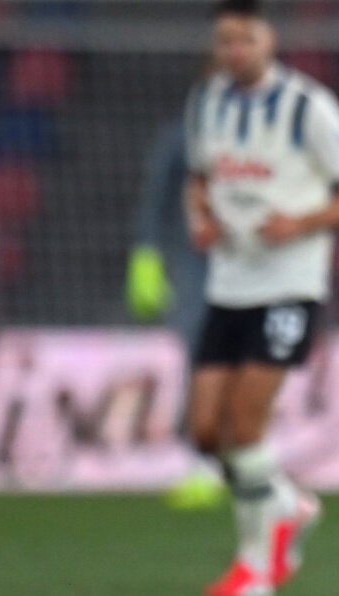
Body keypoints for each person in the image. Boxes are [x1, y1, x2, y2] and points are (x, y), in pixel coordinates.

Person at [185, 0, 339, 596]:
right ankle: (287, 503)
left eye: (246, 38)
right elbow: (199, 179)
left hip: (289, 287)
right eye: (226, 40)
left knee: (245, 428)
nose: (236, 50)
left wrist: (301, 224)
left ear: (270, 40)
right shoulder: (207, 101)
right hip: (228, 284)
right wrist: (200, 219)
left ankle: (256, 569)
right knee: (205, 431)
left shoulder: (308, 106)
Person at [126, 115, 230, 511]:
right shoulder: (185, 137)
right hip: (199, 264)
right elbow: (156, 196)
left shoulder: (269, 136)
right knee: (203, 358)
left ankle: (238, 460)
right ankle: (206, 463)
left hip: (254, 264)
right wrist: (146, 253)